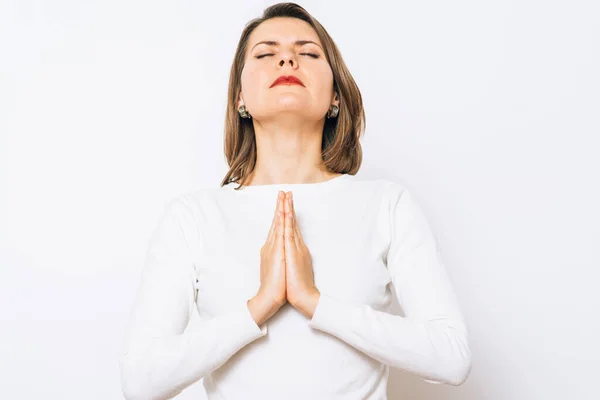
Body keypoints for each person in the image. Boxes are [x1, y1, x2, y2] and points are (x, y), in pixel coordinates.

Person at [118, 3, 472, 399]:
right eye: (266, 53)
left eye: (308, 53)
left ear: (336, 97)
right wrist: (259, 307)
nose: (287, 58)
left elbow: (451, 356)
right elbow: (141, 380)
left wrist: (315, 302)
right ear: (240, 99)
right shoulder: (193, 217)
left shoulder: (387, 205)